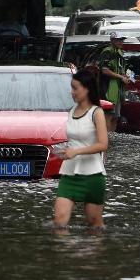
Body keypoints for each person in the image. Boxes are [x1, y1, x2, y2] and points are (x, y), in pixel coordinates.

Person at [54, 68, 109, 231]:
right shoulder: (71, 112)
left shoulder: (96, 113)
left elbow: (103, 145)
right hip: (69, 174)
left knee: (94, 225)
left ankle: (93, 255)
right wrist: (65, 150)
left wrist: (76, 152)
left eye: (75, 88)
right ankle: (66, 255)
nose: (72, 92)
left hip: (92, 175)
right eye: (71, 87)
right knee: (59, 222)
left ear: (87, 89)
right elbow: (75, 140)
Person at [98, 33, 133, 131]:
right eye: (119, 40)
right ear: (112, 40)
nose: (121, 42)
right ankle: (105, 138)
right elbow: (104, 70)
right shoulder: (107, 52)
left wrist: (125, 76)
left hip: (118, 90)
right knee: (108, 115)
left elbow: (121, 69)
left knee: (115, 117)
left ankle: (111, 139)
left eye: (122, 40)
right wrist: (120, 77)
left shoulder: (120, 52)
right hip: (108, 88)